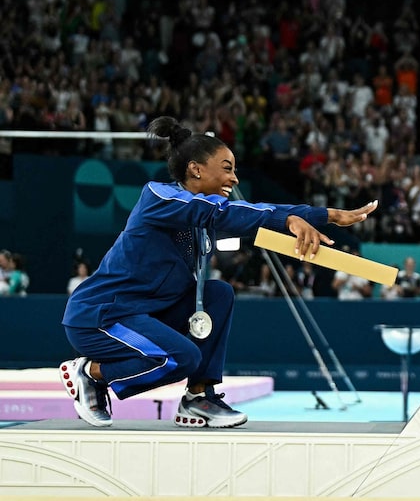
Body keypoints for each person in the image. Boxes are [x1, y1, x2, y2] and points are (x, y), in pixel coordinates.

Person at [60, 117, 377, 428]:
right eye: (227, 168)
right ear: (195, 169)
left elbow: (236, 219)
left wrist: (323, 217)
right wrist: (296, 217)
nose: (235, 179)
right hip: (100, 316)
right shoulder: (157, 196)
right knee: (182, 357)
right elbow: (221, 213)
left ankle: (199, 397)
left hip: (148, 314)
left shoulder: (202, 224)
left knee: (218, 293)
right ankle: (91, 373)